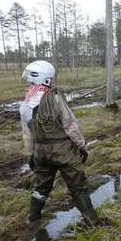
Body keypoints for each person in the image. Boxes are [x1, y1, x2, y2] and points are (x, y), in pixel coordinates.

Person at [20, 60, 105, 227]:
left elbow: (27, 135)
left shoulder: (24, 105)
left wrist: (30, 155)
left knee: (41, 188)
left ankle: (33, 218)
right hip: (64, 151)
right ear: (46, 79)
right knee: (78, 187)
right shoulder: (56, 98)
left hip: (41, 153)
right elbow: (70, 125)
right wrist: (81, 145)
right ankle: (92, 222)